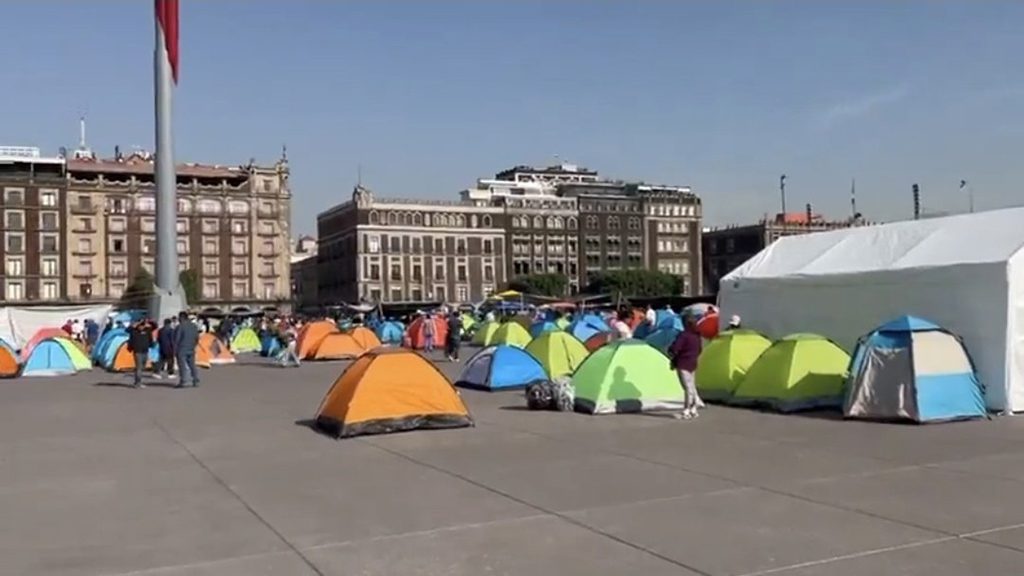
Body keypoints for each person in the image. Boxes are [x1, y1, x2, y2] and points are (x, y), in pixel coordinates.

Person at [668, 314, 703, 419]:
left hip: (683, 363)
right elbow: (700, 350)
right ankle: (693, 409)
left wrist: (672, 353)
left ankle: (686, 410)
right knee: (691, 386)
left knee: (687, 388)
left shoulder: (683, 335)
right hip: (693, 362)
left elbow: (675, 348)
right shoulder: (697, 336)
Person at [173, 311, 200, 388]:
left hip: (182, 348)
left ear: (181, 317)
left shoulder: (180, 326)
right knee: (192, 365)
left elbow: (177, 339)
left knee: (182, 366)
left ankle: (183, 381)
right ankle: (196, 380)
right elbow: (197, 338)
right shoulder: (194, 326)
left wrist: (175, 350)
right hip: (191, 348)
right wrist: (194, 345)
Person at [127, 320, 154, 389]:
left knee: (143, 366)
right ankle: (137, 383)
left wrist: (149, 322)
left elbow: (154, 326)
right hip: (137, 351)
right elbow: (127, 330)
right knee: (139, 367)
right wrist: (136, 323)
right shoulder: (134, 331)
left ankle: (138, 381)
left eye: (142, 326)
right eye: (140, 326)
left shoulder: (147, 331)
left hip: (145, 351)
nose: (141, 327)